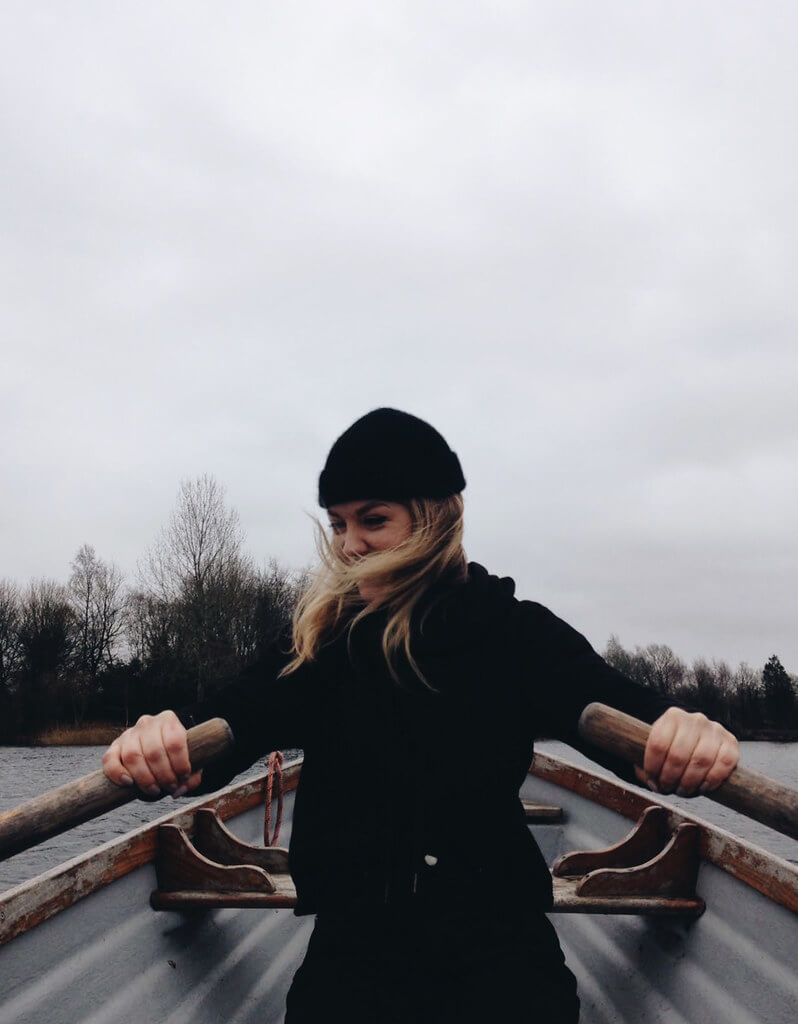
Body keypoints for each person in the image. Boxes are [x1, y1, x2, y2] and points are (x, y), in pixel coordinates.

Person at [102, 408, 740, 1023]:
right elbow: (226, 721)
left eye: (372, 520)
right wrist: (161, 739)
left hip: (500, 962)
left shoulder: (515, 633)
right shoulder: (322, 645)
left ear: (434, 517)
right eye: (337, 525)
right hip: (353, 962)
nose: (350, 546)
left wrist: (683, 731)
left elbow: (633, 723)